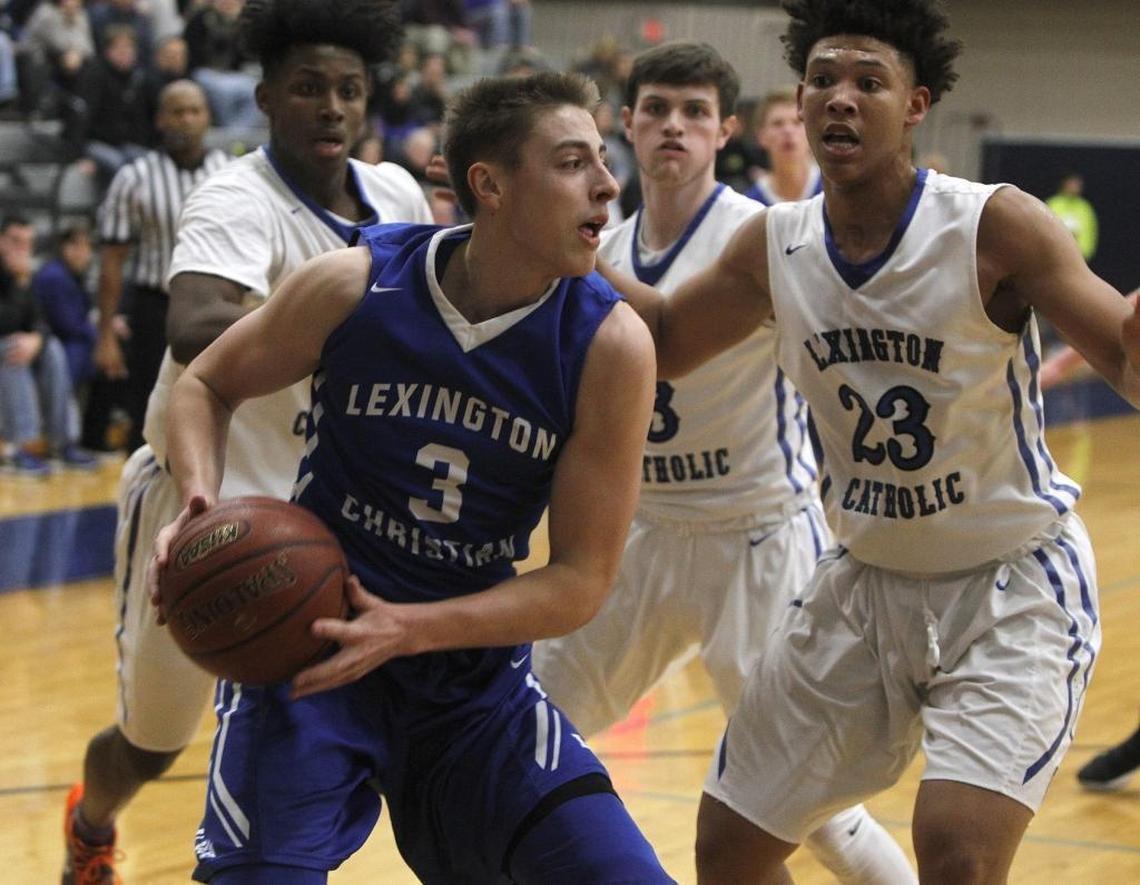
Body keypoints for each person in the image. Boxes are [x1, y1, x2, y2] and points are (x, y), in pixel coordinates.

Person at [599, 0, 1139, 881]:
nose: (839, 99)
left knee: (957, 854)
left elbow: (1118, 352)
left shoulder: (994, 225)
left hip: (1008, 586)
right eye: (822, 80)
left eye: (868, 82)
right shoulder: (775, 243)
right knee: (727, 849)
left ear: (917, 104)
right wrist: (569, 248)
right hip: (863, 584)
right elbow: (660, 338)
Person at [152, 69, 670, 884]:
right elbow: (206, 381)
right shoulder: (356, 284)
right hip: (310, 652)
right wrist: (198, 500)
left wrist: (411, 627)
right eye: (574, 163)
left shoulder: (610, 345)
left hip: (470, 683)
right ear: (489, 185)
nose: (609, 184)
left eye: (603, 161)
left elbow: (580, 582)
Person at [61, 1, 432, 882]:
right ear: (265, 99)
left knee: (339, 711)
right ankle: (93, 819)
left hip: (329, 509)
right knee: (152, 744)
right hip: (205, 503)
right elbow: (193, 321)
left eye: (349, 89)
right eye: (309, 88)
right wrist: (343, 329)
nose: (332, 107)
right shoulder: (235, 195)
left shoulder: (399, 195)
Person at [532, 40, 915, 885]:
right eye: (657, 109)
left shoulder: (760, 238)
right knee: (528, 728)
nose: (674, 126)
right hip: (646, 533)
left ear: (723, 130)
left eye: (694, 112)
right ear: (625, 124)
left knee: (812, 813)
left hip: (761, 537)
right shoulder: (610, 243)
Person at [93, 79, 229, 453]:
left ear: (207, 117)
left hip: (217, 306)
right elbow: (112, 260)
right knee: (147, 419)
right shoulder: (134, 177)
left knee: (219, 415)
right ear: (160, 119)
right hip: (155, 308)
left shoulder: (230, 172)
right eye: (177, 111)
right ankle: (139, 508)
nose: (186, 120)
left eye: (194, 111)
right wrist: (106, 335)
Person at [0, 214, 96, 476]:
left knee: (51, 348)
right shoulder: (21, 276)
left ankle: (61, 442)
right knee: (13, 347)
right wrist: (20, 283)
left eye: (28, 243)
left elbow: (41, 321)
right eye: (15, 242)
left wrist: (38, 339)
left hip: (15, 343)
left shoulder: (24, 276)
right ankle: (16, 448)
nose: (23, 249)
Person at [745, 87, 821, 205]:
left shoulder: (836, 190)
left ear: (812, 132)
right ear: (761, 136)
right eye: (778, 124)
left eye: (797, 122)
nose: (788, 130)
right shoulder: (750, 204)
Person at [1046, 172, 1098, 262]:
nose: (1074, 187)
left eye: (1077, 185)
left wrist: (1085, 253)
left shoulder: (1084, 207)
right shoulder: (1054, 203)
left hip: (1079, 255)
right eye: (1072, 184)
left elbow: (1090, 230)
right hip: (1055, 253)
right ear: (1064, 184)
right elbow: (1045, 228)